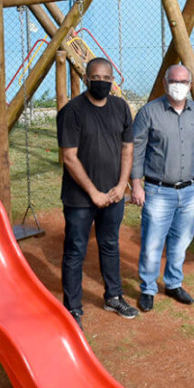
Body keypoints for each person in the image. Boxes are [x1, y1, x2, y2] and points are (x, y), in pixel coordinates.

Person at [56, 58, 139, 328]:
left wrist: (121, 185)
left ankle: (113, 296)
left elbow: (127, 149)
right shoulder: (73, 112)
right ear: (86, 78)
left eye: (106, 77)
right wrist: (93, 193)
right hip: (81, 199)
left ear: (112, 79)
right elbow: (69, 157)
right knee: (75, 250)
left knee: (110, 245)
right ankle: (72, 308)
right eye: (96, 77)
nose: (101, 82)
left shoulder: (121, 107)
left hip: (113, 195)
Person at [131, 64, 194, 312]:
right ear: (165, 83)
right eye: (173, 81)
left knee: (181, 241)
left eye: (183, 81)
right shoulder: (149, 112)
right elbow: (136, 150)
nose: (178, 85)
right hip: (158, 190)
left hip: (190, 191)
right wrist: (136, 184)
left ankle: (173, 283)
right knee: (152, 243)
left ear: (190, 85)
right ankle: (148, 288)